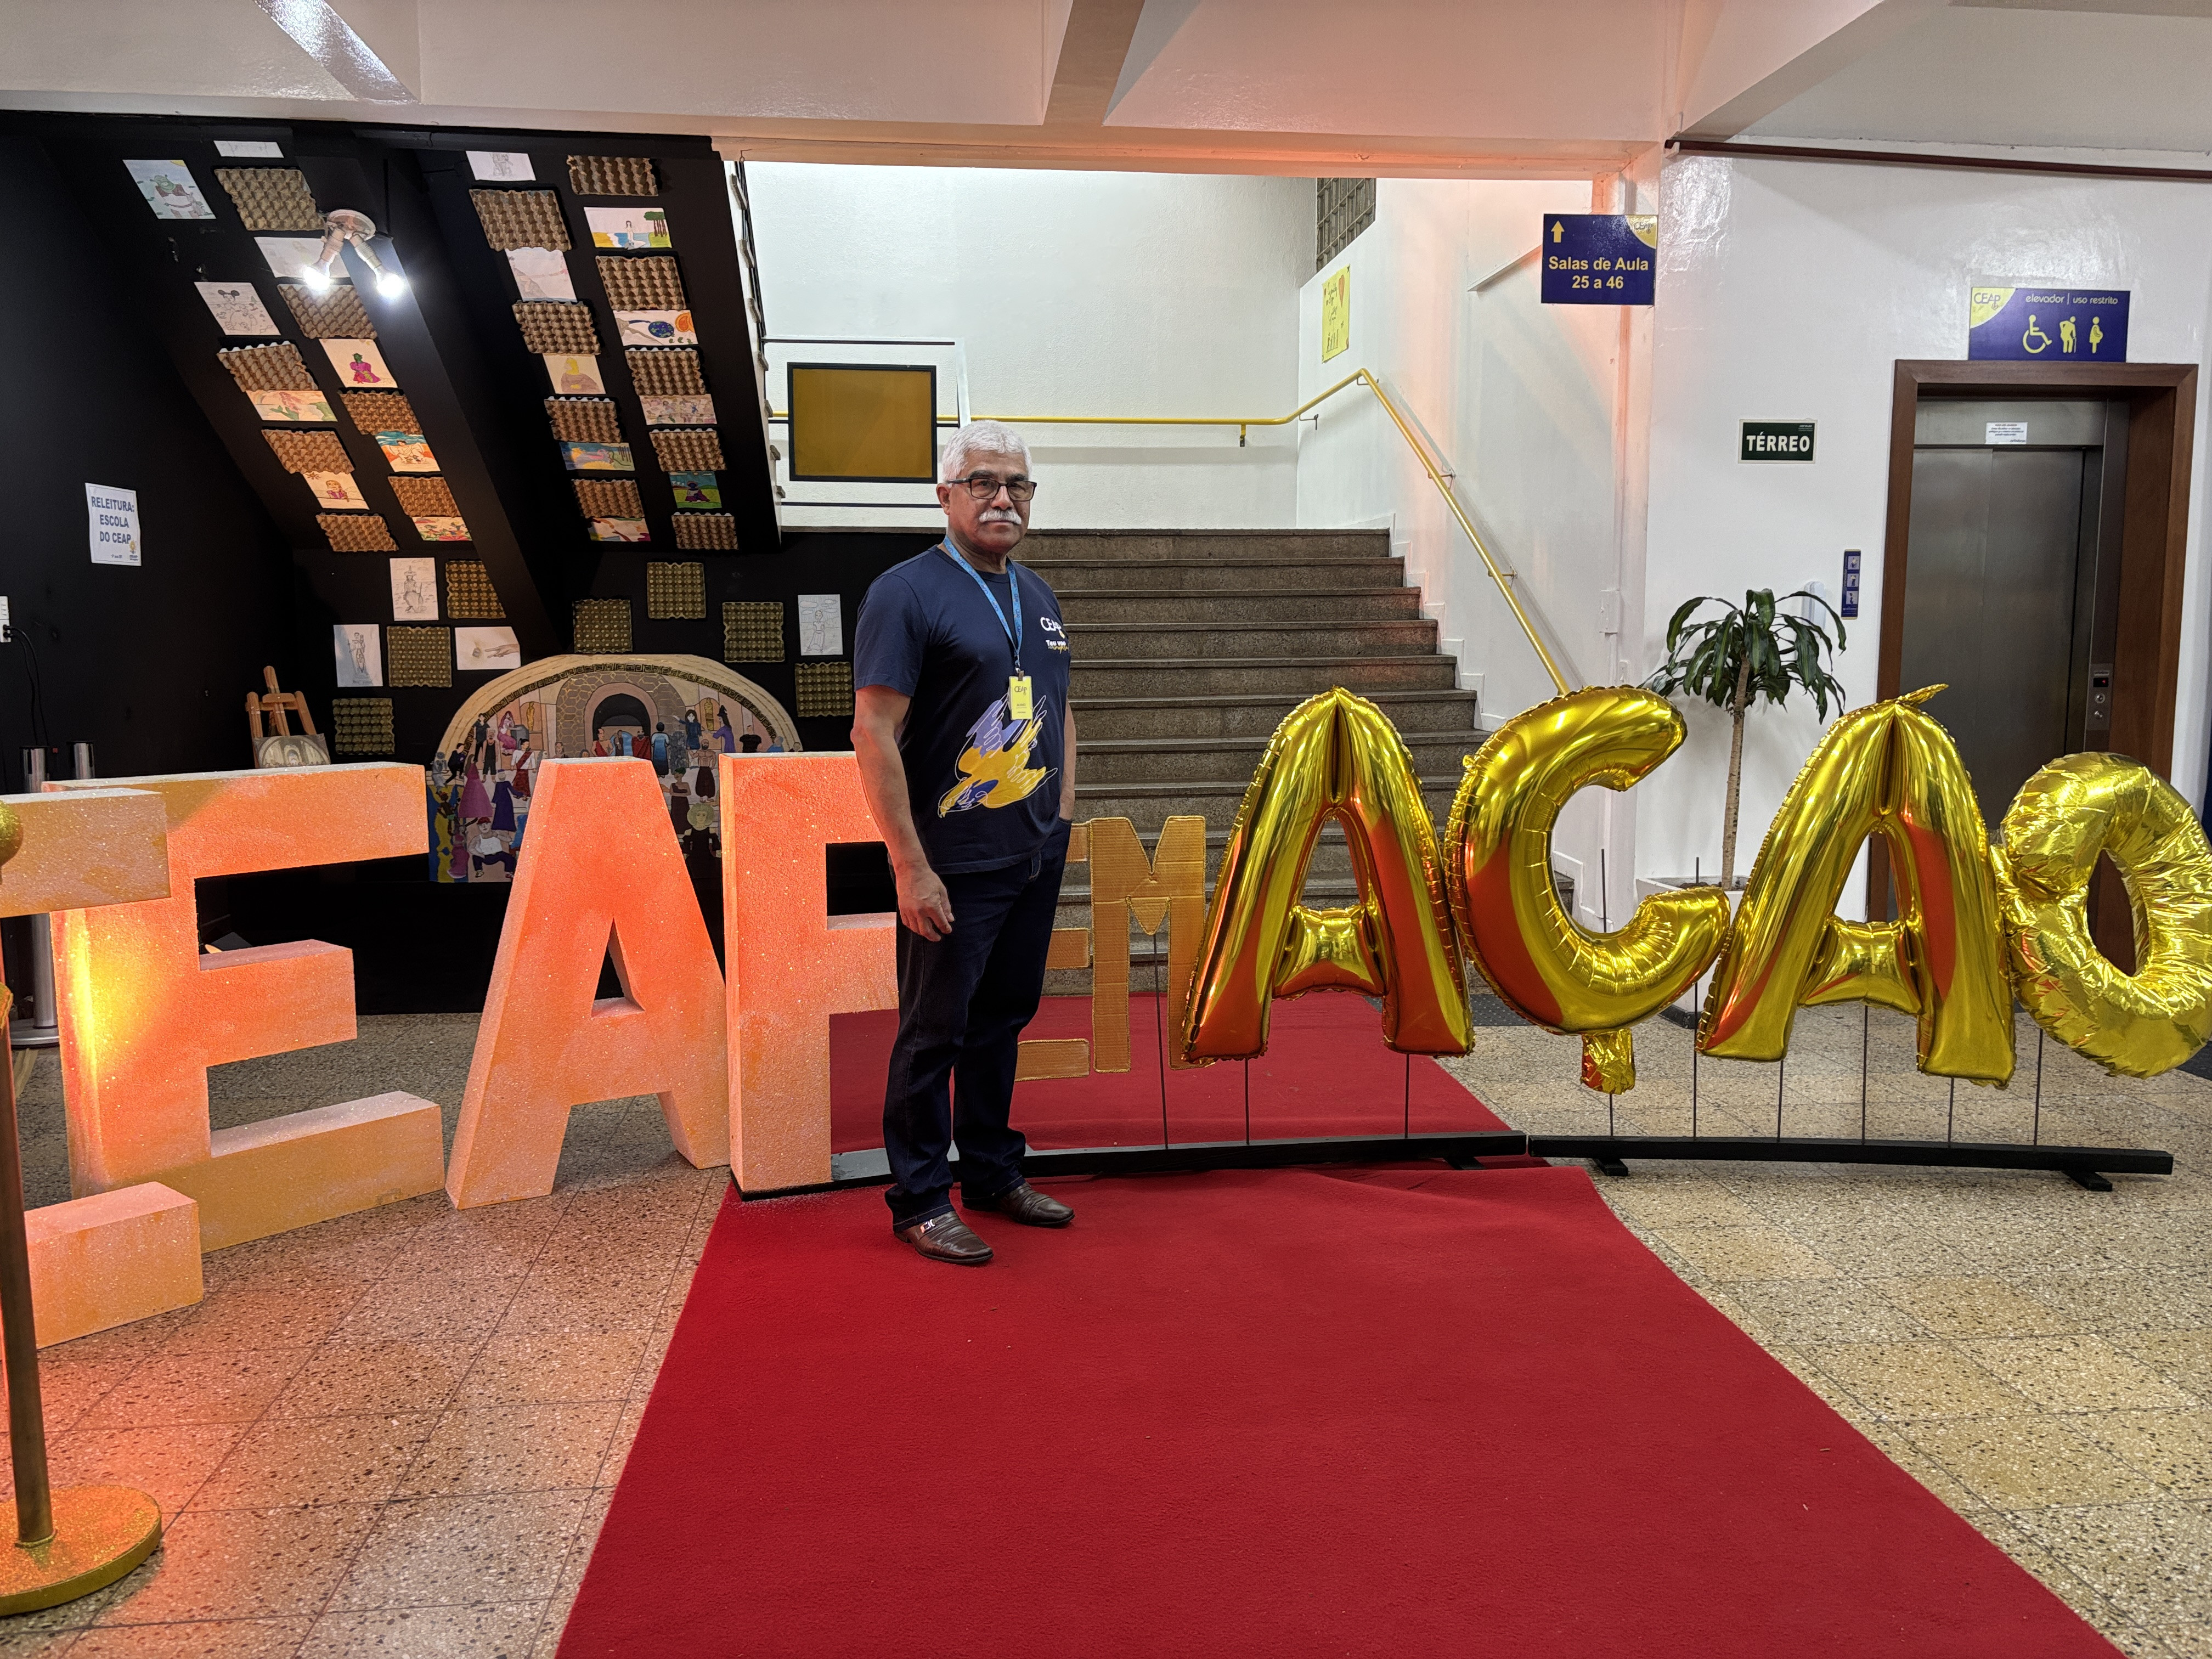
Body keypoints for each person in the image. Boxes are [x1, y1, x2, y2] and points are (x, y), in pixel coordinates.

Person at [851, 420, 1076, 1266]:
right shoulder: (906, 593)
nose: (1002, 498)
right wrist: (910, 866)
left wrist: (1061, 816)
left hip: (1031, 854)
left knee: (1001, 1022)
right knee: (933, 1032)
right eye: (983, 482)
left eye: (1017, 484)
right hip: (952, 862)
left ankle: (990, 1172)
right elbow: (873, 732)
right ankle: (918, 1199)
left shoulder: (1039, 596)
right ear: (945, 495)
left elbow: (1060, 708)